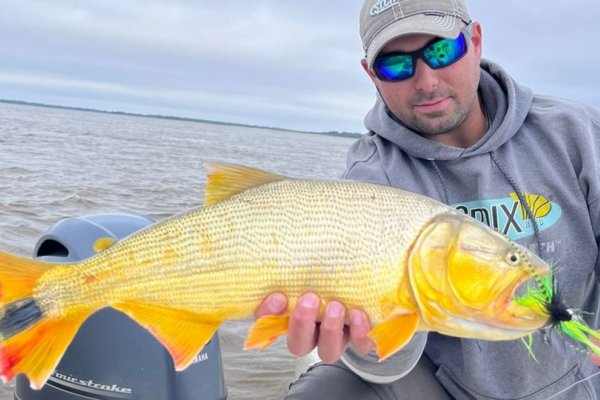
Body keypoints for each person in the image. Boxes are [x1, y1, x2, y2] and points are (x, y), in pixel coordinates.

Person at [256, 0, 600, 398]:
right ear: (371, 74)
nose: (426, 81)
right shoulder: (372, 180)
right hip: (446, 387)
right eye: (396, 66)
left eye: (440, 51)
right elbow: (393, 355)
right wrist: (365, 342)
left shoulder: (577, 134)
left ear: (474, 41)